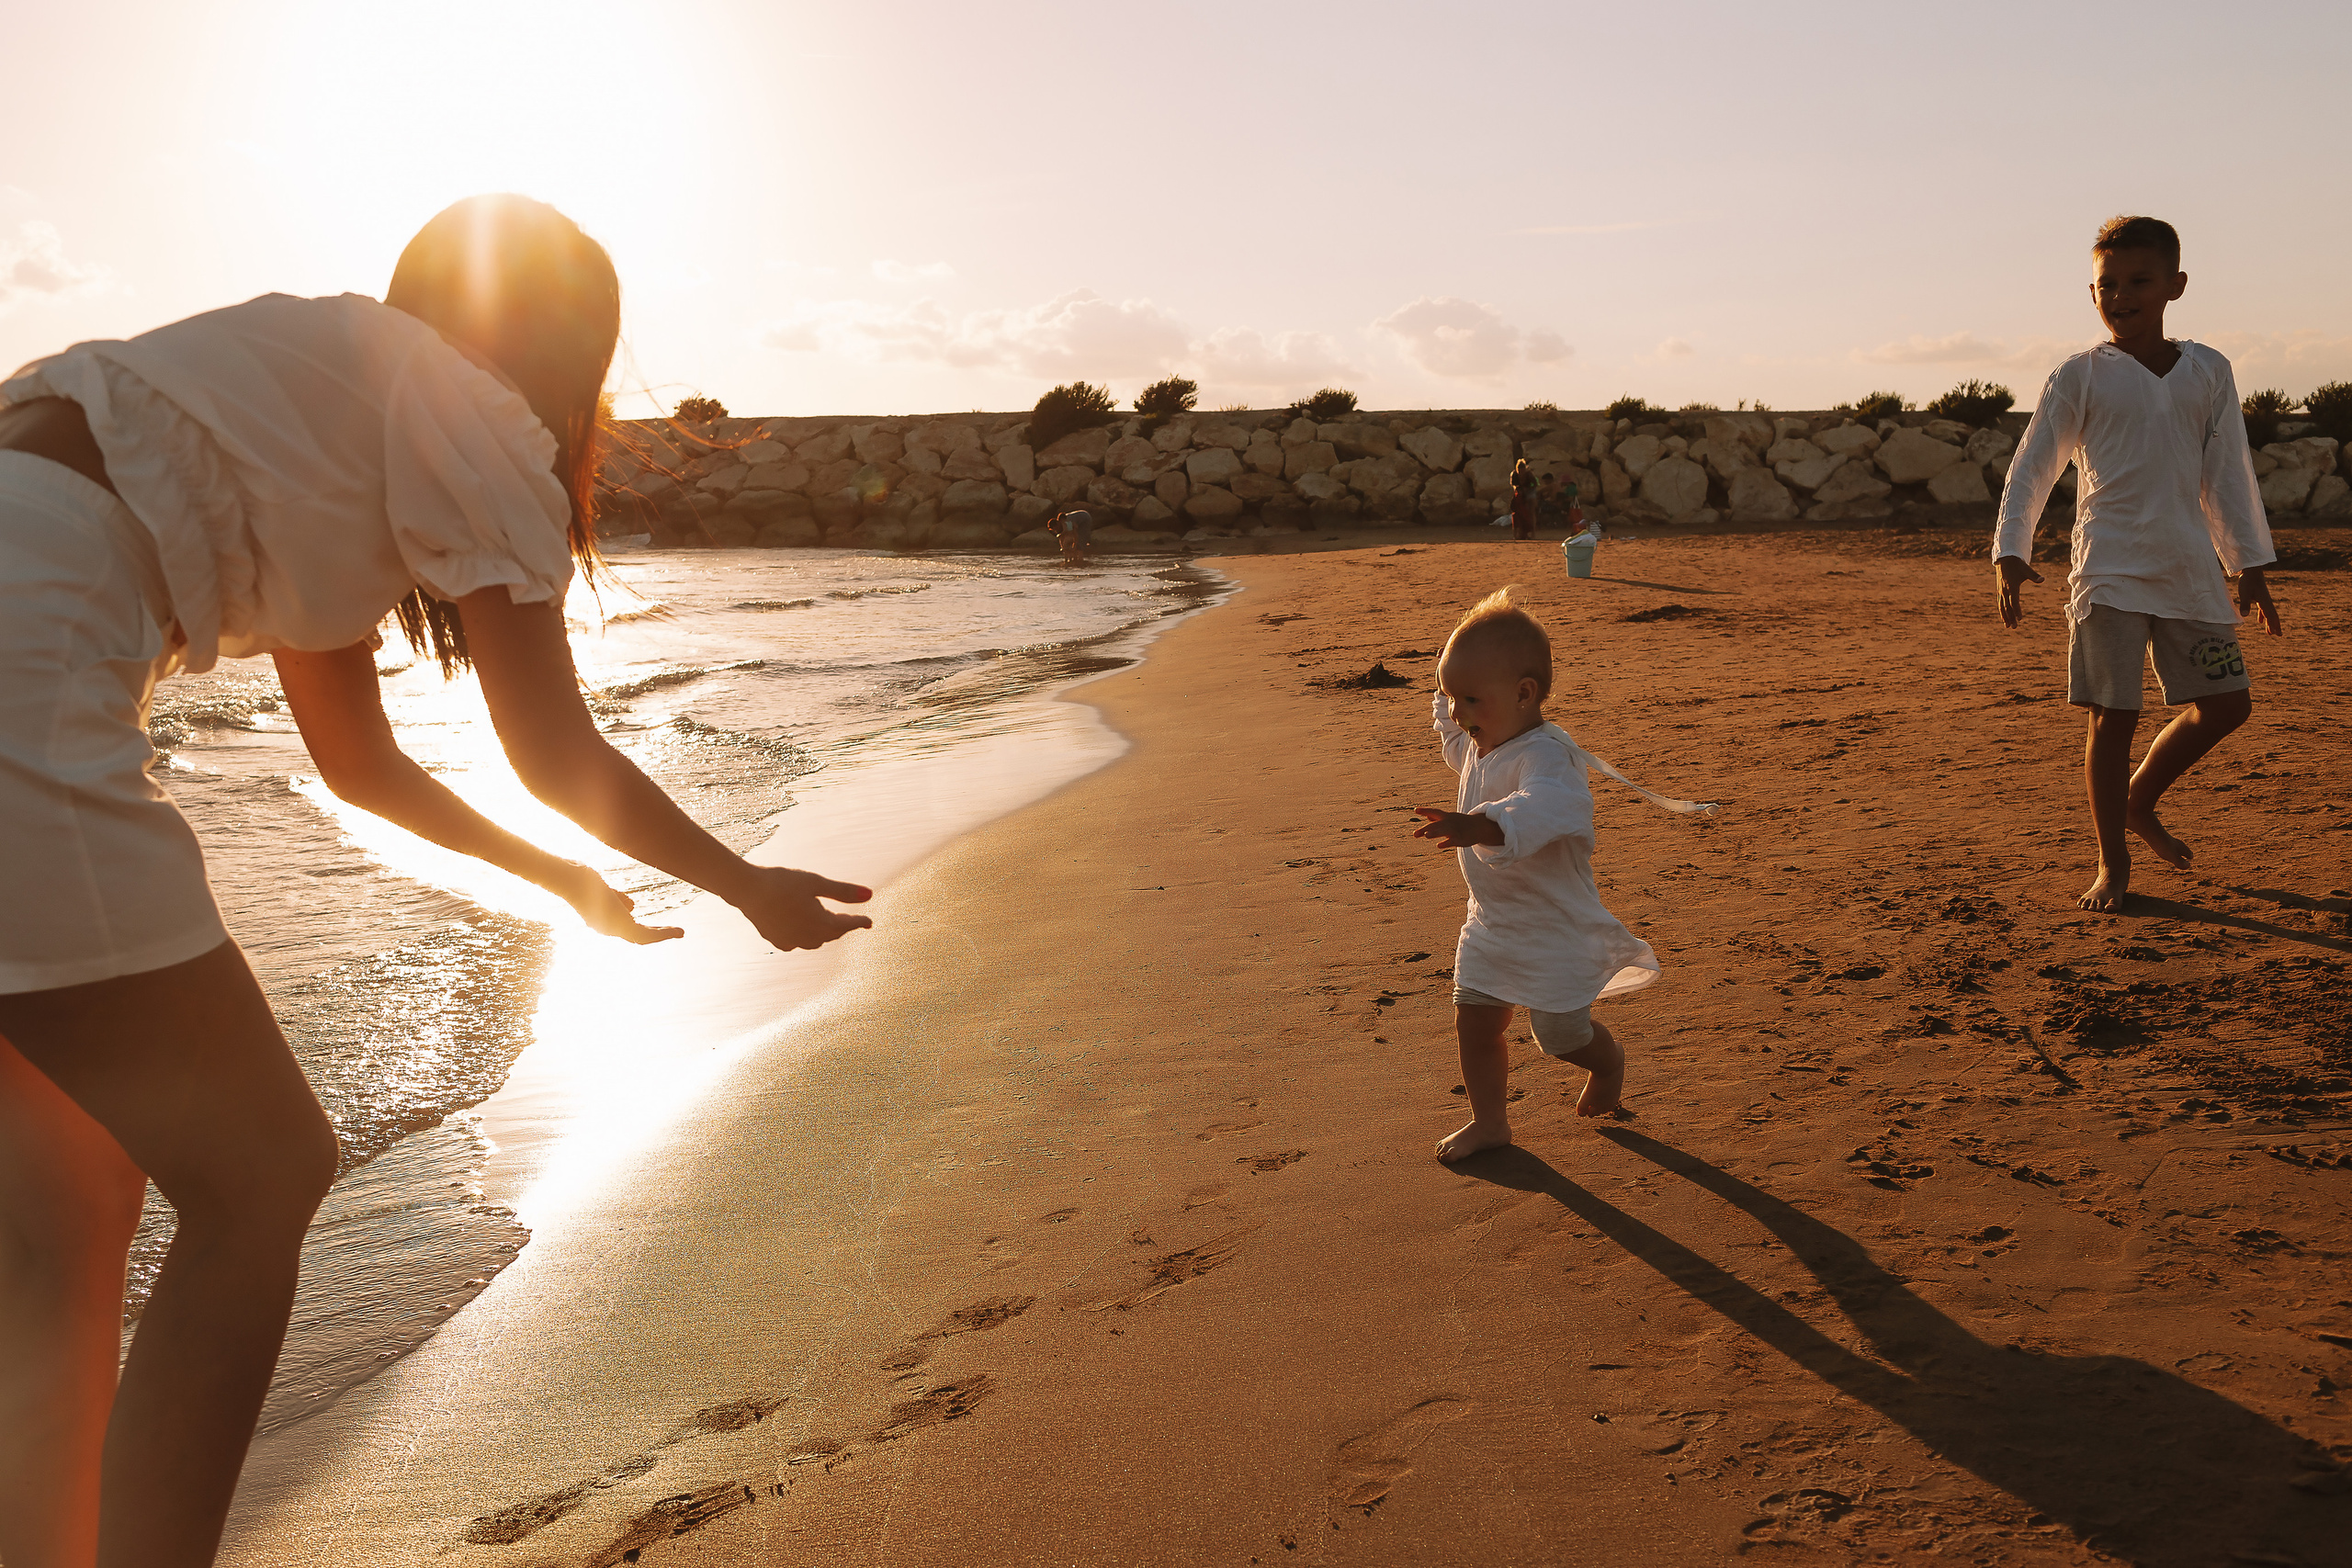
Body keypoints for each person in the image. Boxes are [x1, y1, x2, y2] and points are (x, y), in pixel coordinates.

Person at [0, 194, 874, 1568]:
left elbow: (361, 764)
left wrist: (564, 885)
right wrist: (743, 878)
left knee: (72, 1208)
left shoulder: (321, 390)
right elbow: (555, 745)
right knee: (263, 1172)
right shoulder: (472, 413)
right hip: (29, 645)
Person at [1993, 214, 2281, 914]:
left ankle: (2138, 800)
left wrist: (2249, 564)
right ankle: (2111, 863)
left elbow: (2227, 472)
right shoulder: (2080, 375)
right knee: (2111, 718)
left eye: (2138, 282)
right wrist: (2010, 548)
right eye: (2106, 285)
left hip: (2187, 567)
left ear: (2175, 286)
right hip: (2108, 571)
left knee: (2225, 705)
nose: (2120, 296)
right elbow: (2034, 466)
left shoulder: (2209, 369)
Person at [1410, 590, 1664, 1163]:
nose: (1458, 714)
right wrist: (1447, 694)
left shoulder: (1550, 758)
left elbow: (1549, 805)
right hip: (1493, 923)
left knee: (1560, 1036)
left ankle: (1607, 1061)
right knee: (1475, 1022)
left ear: (1525, 694)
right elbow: (1459, 745)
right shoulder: (1488, 738)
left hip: (1552, 928)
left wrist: (1483, 825)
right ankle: (1490, 1123)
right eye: (1453, 698)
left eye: (1470, 699)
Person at [1507, 457, 1539, 540]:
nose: (1521, 473)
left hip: (1530, 491)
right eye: (1520, 471)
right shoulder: (1514, 474)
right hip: (1520, 491)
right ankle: (1519, 533)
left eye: (1523, 471)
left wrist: (1527, 489)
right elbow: (1514, 485)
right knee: (1517, 510)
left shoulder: (1529, 474)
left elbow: (1535, 484)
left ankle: (1533, 533)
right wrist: (1520, 491)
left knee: (1531, 510)